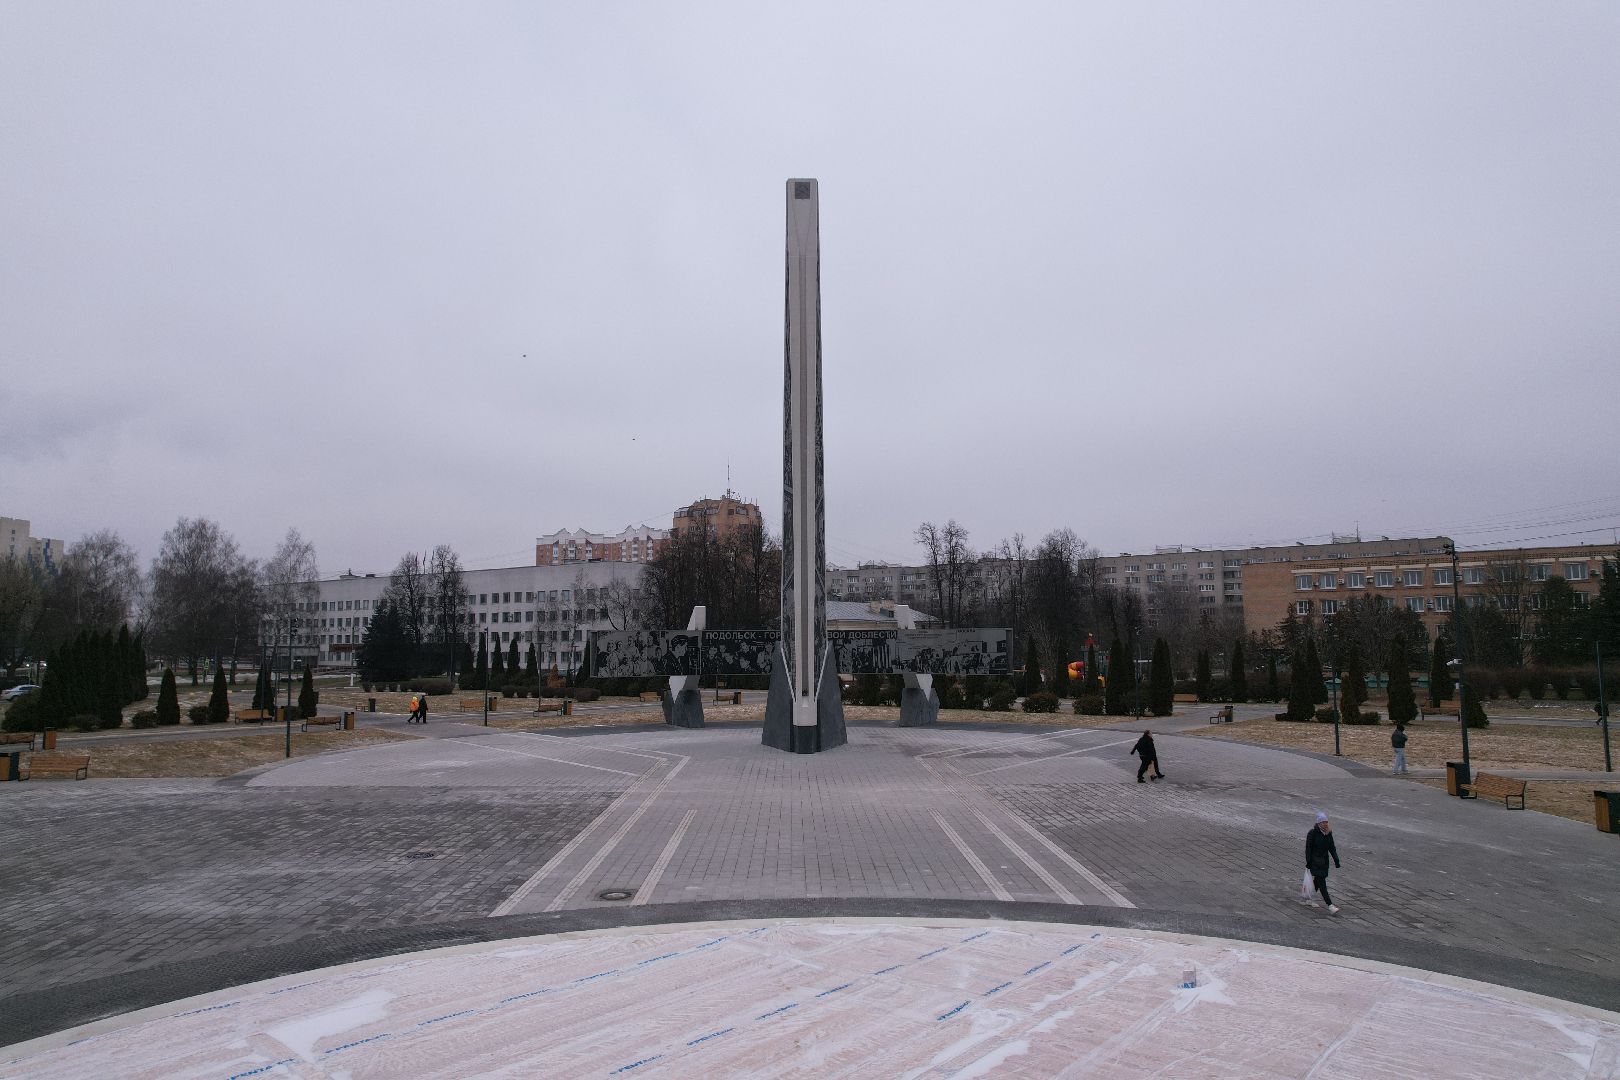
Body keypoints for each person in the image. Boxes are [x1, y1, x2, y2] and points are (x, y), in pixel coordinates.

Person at [1305, 811, 1342, 914]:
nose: (1325, 824)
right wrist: (1308, 861)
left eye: (1326, 822)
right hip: (1315, 862)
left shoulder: (1328, 833)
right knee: (1322, 883)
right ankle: (1330, 906)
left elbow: (1332, 847)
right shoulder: (1312, 833)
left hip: (1324, 862)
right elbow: (1308, 848)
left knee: (1317, 881)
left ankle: (1309, 898)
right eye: (1323, 822)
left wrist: (1336, 860)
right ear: (1318, 823)